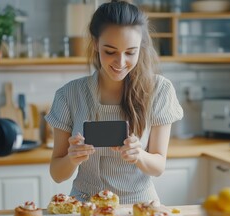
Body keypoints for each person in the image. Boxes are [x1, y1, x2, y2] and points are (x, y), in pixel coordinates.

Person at [45, 0, 183, 204]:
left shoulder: (160, 90)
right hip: (85, 206)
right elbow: (57, 174)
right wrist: (71, 158)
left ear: (140, 48)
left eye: (130, 52)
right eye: (110, 51)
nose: (120, 62)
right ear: (95, 44)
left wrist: (139, 155)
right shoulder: (69, 94)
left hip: (140, 206)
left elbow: (158, 166)